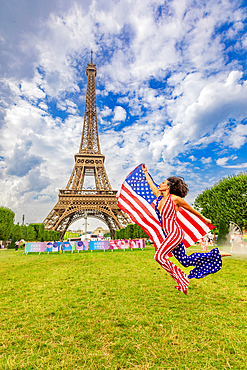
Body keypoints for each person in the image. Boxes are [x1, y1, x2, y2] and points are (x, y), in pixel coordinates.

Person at [142, 164, 229, 295]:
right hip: (169, 235)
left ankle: (181, 278)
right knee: (186, 261)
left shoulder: (175, 199)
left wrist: (205, 219)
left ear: (169, 186)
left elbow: (191, 209)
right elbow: (151, 185)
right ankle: (216, 254)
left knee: (159, 256)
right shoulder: (159, 197)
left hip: (175, 234)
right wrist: (146, 172)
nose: (160, 183)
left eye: (163, 182)